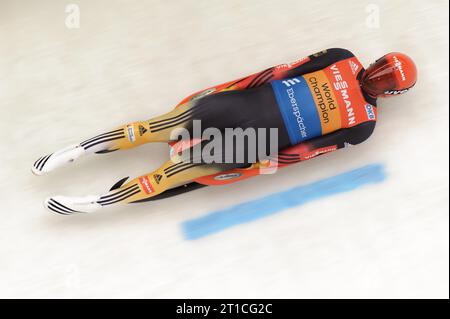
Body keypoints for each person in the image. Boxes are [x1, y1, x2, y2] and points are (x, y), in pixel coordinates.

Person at [32, 48, 417, 215]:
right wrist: (230, 91)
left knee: (168, 156)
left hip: (254, 133)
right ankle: (85, 169)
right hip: (248, 115)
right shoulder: (343, 64)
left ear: (391, 92)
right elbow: (282, 74)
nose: (377, 76)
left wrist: (252, 166)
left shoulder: (363, 122)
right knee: (163, 141)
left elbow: (305, 151)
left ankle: (93, 190)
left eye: (385, 79)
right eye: (381, 66)